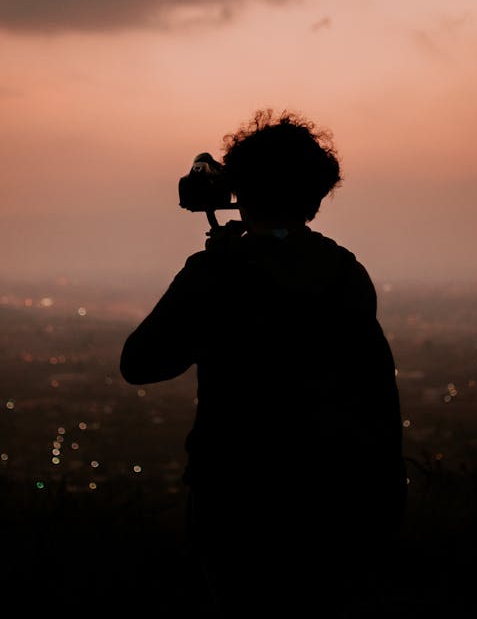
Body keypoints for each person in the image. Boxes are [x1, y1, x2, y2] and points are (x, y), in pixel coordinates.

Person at [120, 109, 407, 616]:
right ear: (316, 196)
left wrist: (210, 276)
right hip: (335, 507)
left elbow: (141, 362)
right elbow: (375, 395)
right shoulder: (345, 273)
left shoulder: (218, 273)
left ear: (240, 191)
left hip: (237, 504)